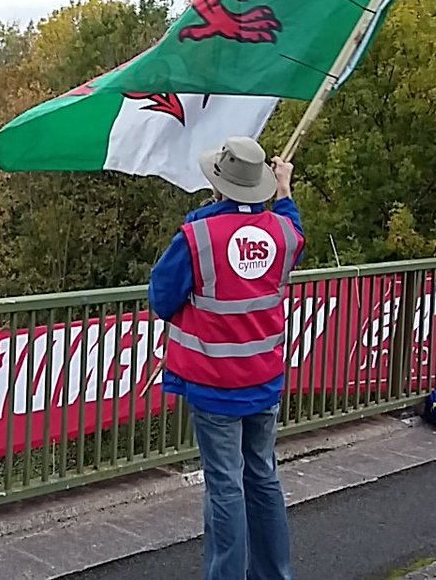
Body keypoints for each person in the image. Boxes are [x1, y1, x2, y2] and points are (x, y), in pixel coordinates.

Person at [148, 136, 304, 580]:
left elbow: (161, 297)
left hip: (214, 384)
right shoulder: (282, 234)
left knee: (225, 488)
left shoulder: (197, 237)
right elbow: (294, 227)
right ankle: (275, 575)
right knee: (263, 478)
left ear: (218, 184)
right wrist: (285, 189)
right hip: (264, 380)